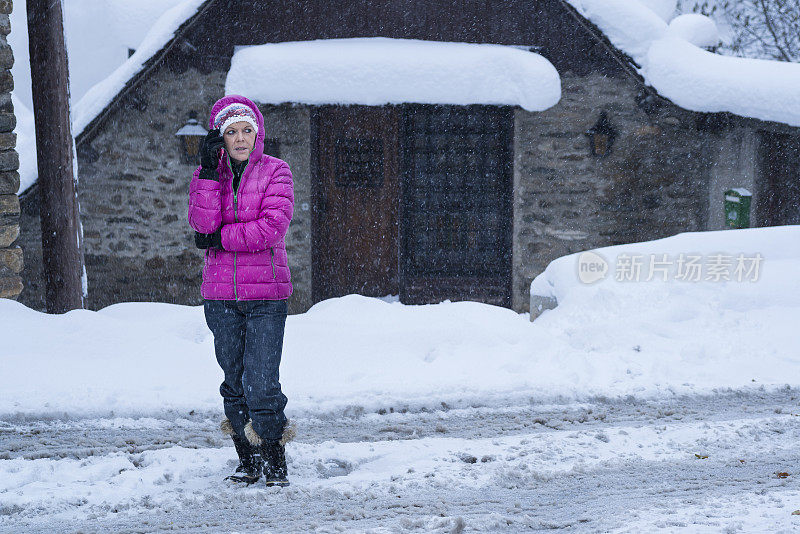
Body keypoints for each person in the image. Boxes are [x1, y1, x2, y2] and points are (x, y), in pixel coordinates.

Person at [187, 95, 295, 487]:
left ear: (258, 132)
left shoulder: (276, 172)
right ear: (220, 136)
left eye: (247, 129)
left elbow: (271, 228)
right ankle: (248, 462)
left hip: (267, 296)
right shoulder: (210, 176)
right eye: (231, 131)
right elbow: (201, 226)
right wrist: (206, 172)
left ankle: (274, 461)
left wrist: (219, 237)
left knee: (261, 382)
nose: (240, 138)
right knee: (234, 382)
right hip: (220, 297)